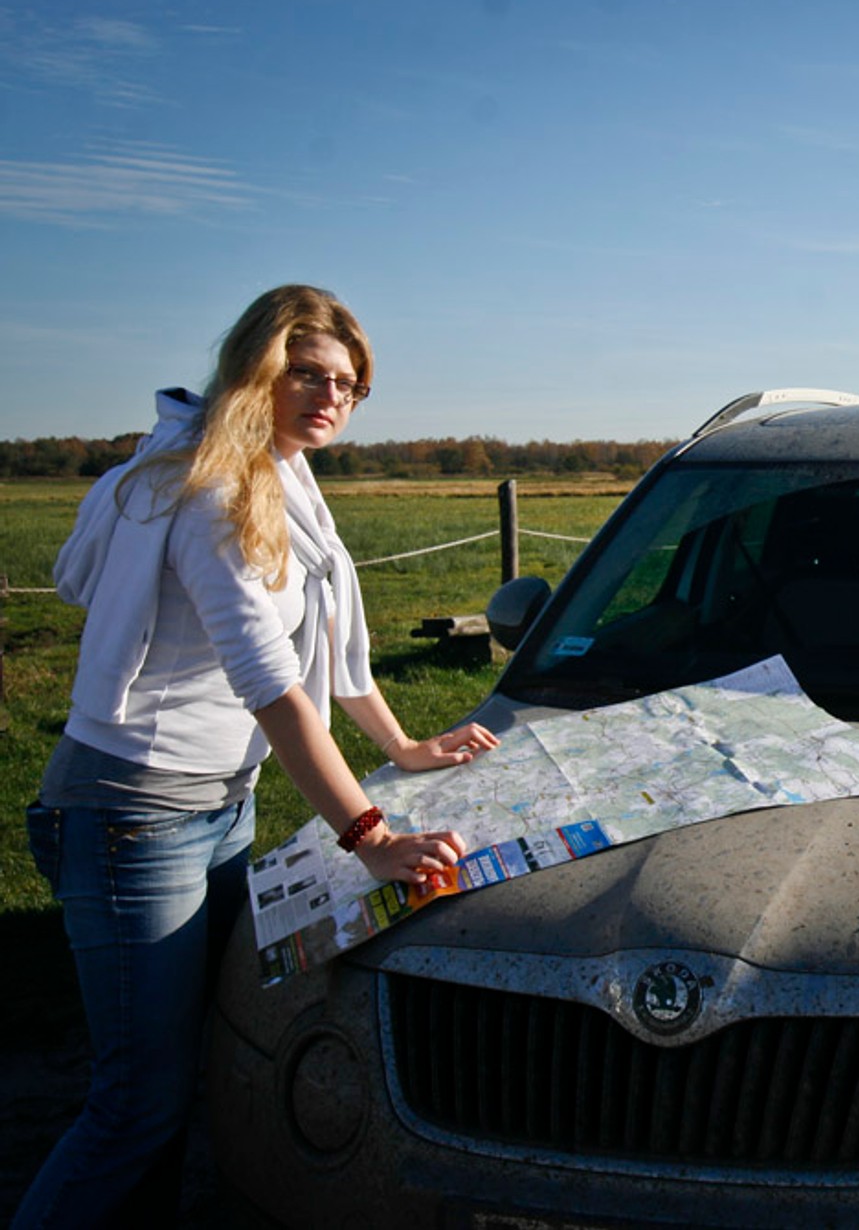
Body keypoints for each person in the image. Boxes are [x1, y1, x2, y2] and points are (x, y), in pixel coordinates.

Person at [15, 285, 499, 1229]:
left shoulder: (286, 481)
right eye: (308, 373)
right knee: (133, 1106)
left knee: (173, 1086)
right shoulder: (209, 493)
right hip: (131, 815)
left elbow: (324, 643)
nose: (331, 398)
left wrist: (401, 745)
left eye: (349, 386)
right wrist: (371, 837)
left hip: (219, 807)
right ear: (256, 368)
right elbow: (273, 687)